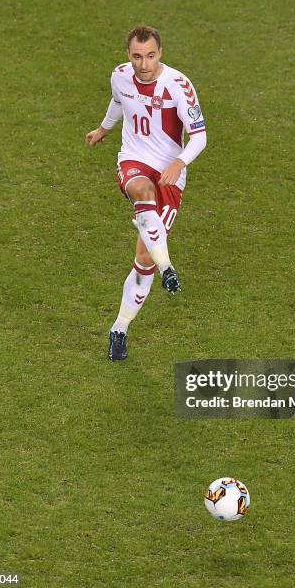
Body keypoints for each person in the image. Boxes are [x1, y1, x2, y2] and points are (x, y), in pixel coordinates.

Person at [86, 26, 207, 361]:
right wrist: (104, 129)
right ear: (128, 55)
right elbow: (117, 102)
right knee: (142, 191)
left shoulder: (179, 86)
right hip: (135, 161)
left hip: (170, 172)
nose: (144, 63)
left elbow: (199, 136)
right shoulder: (120, 76)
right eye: (137, 56)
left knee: (142, 261)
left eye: (150, 55)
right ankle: (168, 266)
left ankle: (119, 329)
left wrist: (180, 163)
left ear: (160, 52)